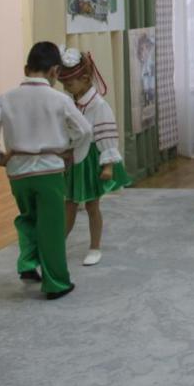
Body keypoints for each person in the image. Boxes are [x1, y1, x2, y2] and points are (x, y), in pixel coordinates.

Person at [0, 41, 92, 300]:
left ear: (26, 68)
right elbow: (84, 130)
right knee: (51, 227)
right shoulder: (60, 99)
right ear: (55, 71)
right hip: (48, 172)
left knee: (28, 218)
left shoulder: (6, 98)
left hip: (18, 173)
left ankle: (28, 264)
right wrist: (73, 154)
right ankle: (56, 283)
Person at [57, 47, 131, 267]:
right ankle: (57, 245)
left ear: (85, 79)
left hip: (90, 159)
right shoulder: (69, 102)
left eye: (69, 83)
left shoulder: (98, 105)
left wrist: (108, 165)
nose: (66, 87)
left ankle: (95, 246)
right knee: (69, 204)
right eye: (63, 83)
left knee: (92, 206)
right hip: (73, 158)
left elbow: (107, 135)